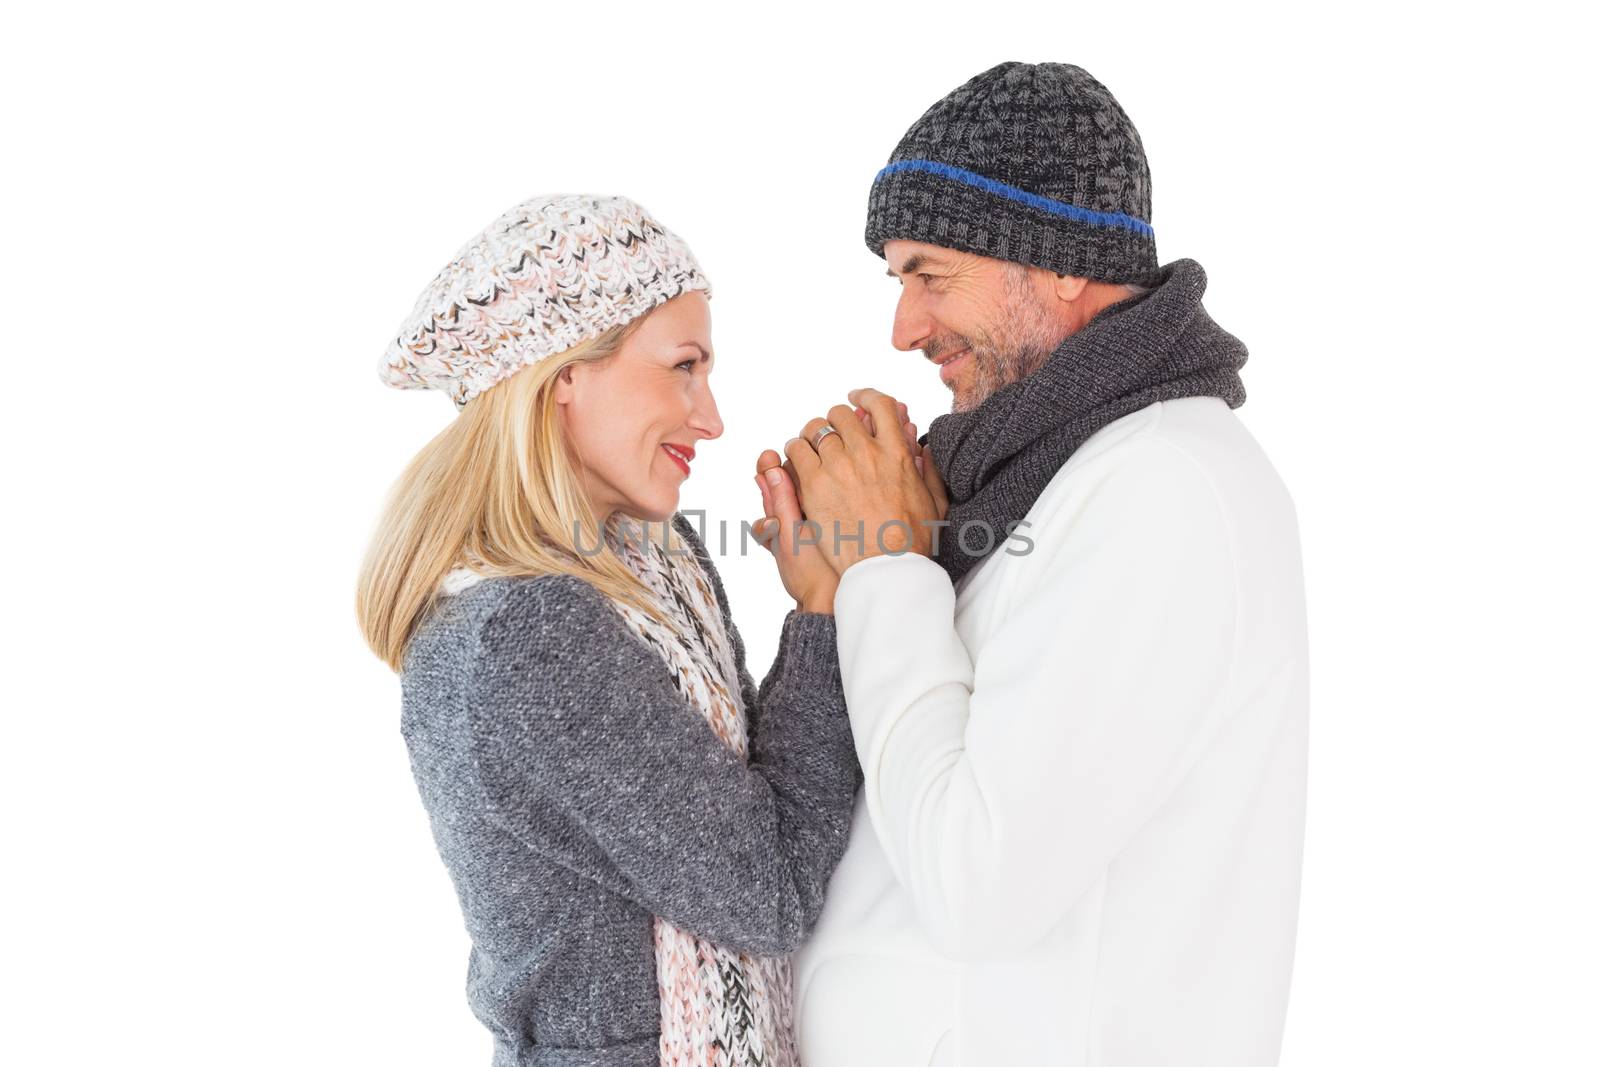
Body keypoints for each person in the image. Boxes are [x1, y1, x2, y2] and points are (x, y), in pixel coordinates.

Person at [770, 63, 1310, 1066]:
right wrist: (843, 590)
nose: (904, 328)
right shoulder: (1048, 475)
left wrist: (887, 569)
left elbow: (980, 881)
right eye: (898, 281)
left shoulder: (1162, 489)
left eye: (930, 275)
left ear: (1059, 258)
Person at [355, 194, 865, 1067]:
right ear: (565, 376)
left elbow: (743, 809)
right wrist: (824, 610)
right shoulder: (527, 629)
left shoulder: (651, 562)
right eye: (682, 367)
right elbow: (766, 885)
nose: (710, 417)